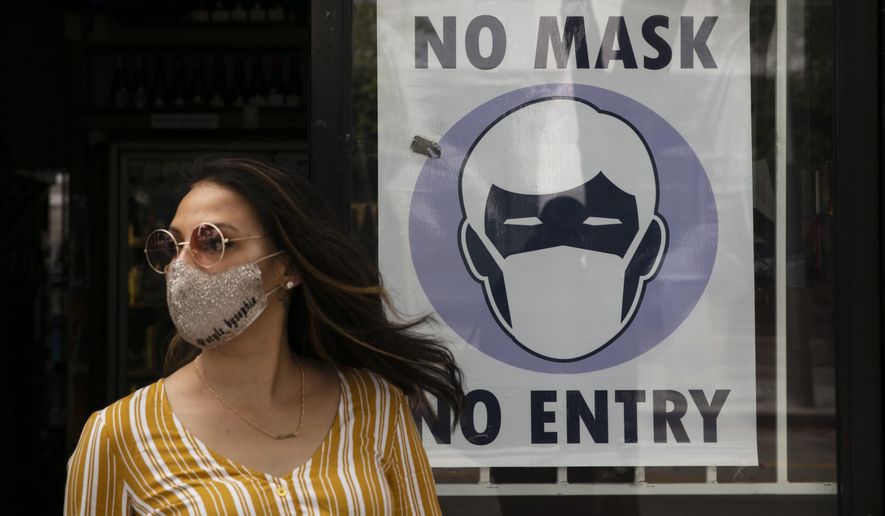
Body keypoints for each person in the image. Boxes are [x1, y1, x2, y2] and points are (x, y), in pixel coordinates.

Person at [65, 157, 464, 515]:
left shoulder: (376, 405)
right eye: (171, 247)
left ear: (286, 267)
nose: (182, 267)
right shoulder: (117, 434)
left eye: (212, 241)